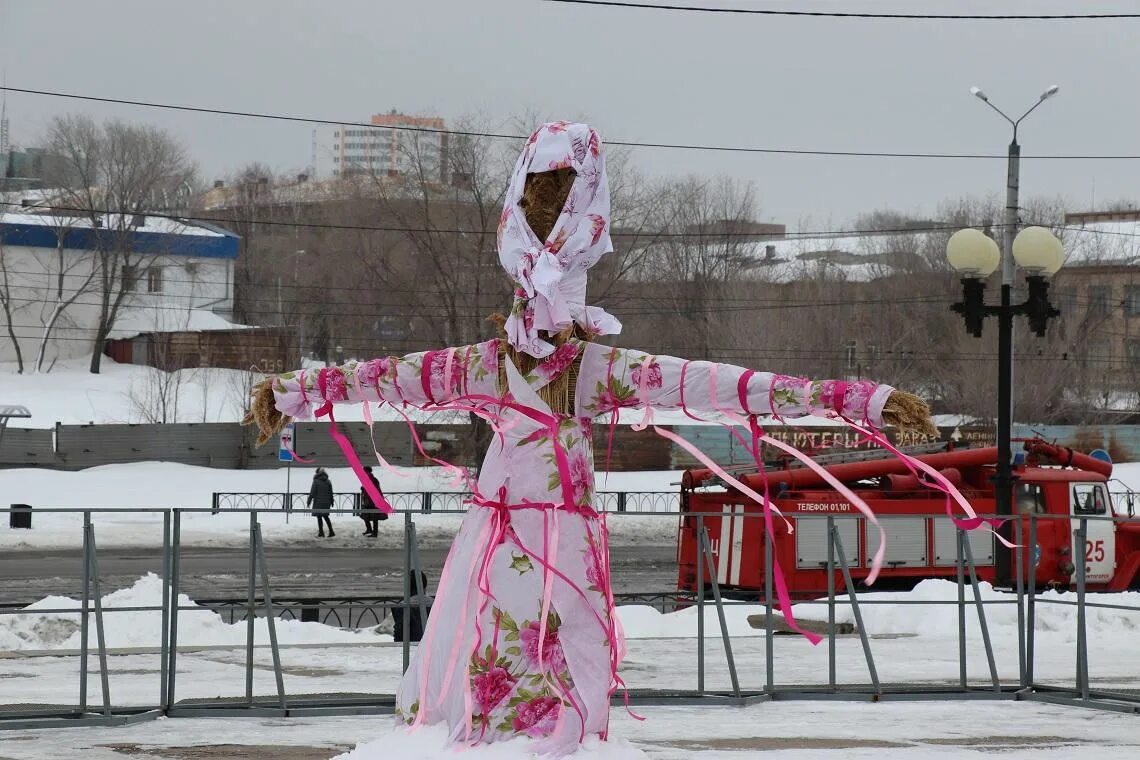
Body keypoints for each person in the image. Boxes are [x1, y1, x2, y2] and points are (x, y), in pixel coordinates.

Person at [245, 123, 941, 756]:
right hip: (499, 540)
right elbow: (384, 377)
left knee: (557, 653)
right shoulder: (487, 365)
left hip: (550, 540)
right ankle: (491, 735)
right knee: (483, 641)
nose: (546, 321)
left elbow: (722, 384)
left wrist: (859, 400)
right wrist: (289, 392)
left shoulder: (590, 370)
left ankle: (539, 734)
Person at [392, 569, 432, 642]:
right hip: (431, 647)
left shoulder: (403, 607)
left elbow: (399, 636)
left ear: (407, 587)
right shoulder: (436, 605)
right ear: (424, 586)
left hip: (411, 649)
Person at [307, 467, 335, 538]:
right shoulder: (328, 481)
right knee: (326, 516)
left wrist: (309, 501)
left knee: (319, 517)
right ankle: (331, 531)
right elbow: (331, 493)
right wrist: (331, 501)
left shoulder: (316, 481)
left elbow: (312, 492)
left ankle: (321, 532)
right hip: (327, 502)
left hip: (318, 502)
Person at [360, 465, 386, 537]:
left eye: (364, 472)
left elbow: (375, 490)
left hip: (373, 501)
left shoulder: (373, 480)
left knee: (375, 517)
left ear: (368, 472)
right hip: (368, 500)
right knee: (366, 515)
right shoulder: (367, 479)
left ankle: (375, 533)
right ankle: (369, 529)